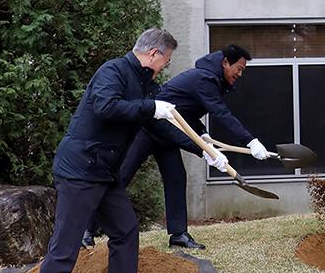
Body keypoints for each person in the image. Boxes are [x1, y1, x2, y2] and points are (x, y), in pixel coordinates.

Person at [24, 29, 231, 273]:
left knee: (125, 228)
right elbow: (107, 107)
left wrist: (204, 150)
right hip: (81, 169)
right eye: (165, 60)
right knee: (65, 247)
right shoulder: (113, 71)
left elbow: (163, 121)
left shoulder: (145, 83)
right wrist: (150, 108)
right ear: (153, 55)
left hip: (104, 172)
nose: (165, 67)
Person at [82, 45, 268, 251]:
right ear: (225, 62)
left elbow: (186, 109)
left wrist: (202, 133)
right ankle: (86, 230)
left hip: (168, 131)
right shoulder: (205, 79)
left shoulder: (213, 80)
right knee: (121, 177)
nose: (240, 74)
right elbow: (221, 113)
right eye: (239, 68)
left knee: (176, 177)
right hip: (150, 128)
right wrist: (248, 141)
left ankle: (178, 234)